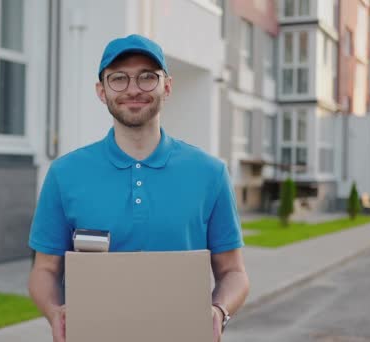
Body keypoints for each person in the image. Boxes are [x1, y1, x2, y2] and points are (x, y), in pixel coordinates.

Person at [28, 34, 249, 342]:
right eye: (118, 78)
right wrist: (55, 312)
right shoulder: (65, 174)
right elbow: (45, 271)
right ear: (101, 91)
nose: (133, 89)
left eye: (147, 77)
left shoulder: (210, 173)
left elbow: (233, 273)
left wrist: (219, 311)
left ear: (167, 86)